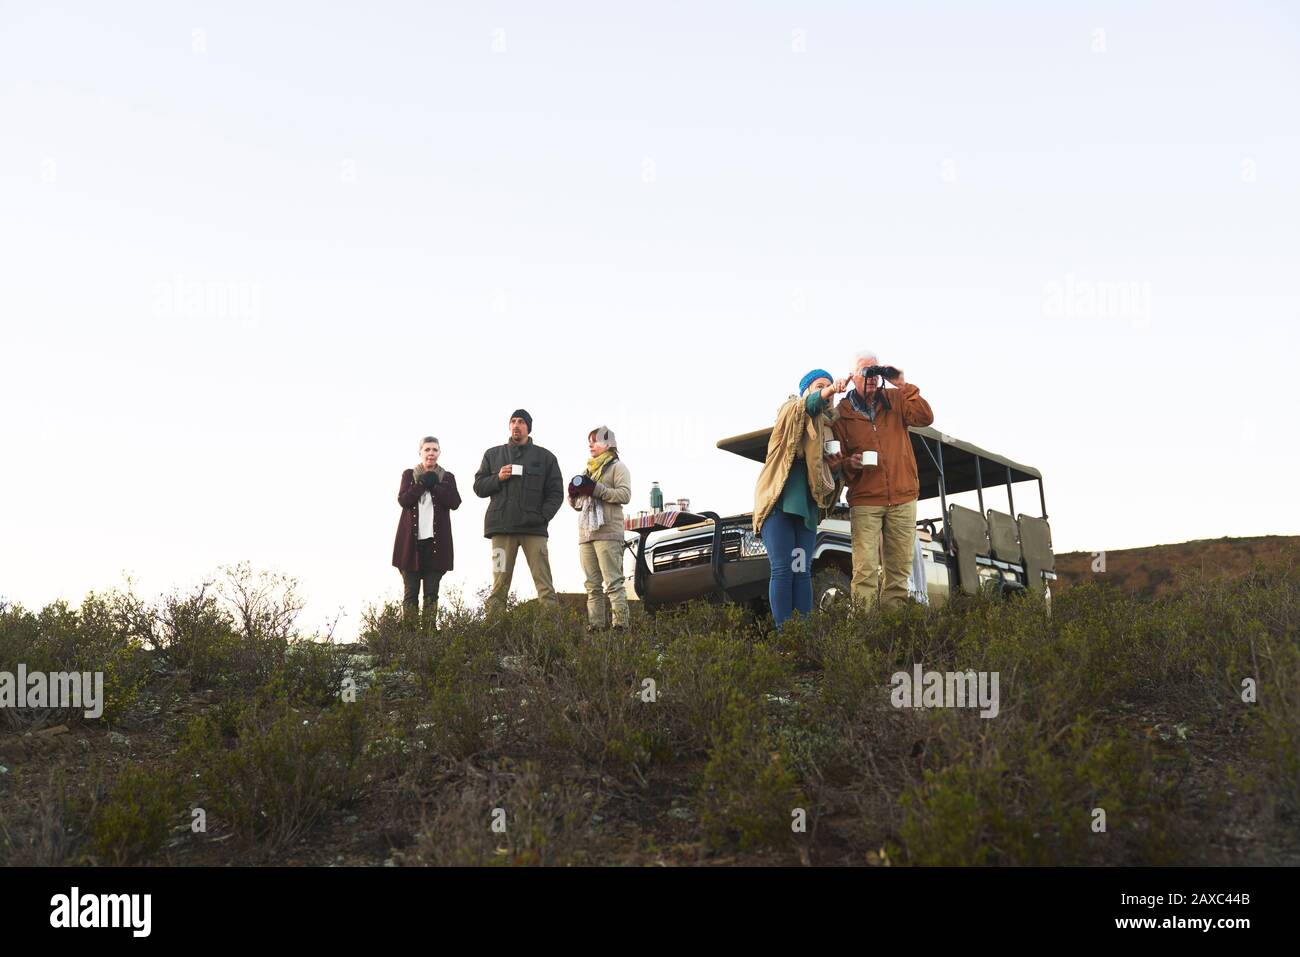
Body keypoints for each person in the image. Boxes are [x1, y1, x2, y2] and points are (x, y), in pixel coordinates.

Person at [832, 350, 934, 610]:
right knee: (864, 571)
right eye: (866, 372)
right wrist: (849, 463)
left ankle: (891, 633)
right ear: (853, 377)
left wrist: (902, 383)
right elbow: (836, 459)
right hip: (866, 500)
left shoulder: (895, 399)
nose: (872, 378)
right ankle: (864, 633)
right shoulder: (842, 412)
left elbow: (925, 417)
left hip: (903, 497)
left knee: (898, 574)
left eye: (876, 372)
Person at [753, 369, 847, 629]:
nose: (826, 391)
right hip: (779, 505)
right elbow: (807, 406)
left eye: (829, 386)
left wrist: (837, 466)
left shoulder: (830, 429)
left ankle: (803, 639)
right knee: (783, 570)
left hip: (805, 509)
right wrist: (829, 391)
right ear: (807, 389)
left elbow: (828, 477)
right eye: (820, 385)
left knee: (801, 572)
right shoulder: (791, 409)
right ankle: (786, 637)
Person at [473, 409, 564, 615]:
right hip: (501, 529)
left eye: (521, 422)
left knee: (545, 585)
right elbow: (478, 487)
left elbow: (556, 493)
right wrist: (497, 478)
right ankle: (494, 633)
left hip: (534, 530)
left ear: (528, 427)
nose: (516, 425)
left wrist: (543, 517)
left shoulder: (546, 457)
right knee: (498, 587)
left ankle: (554, 635)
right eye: (512, 421)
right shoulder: (493, 454)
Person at [568, 426, 632, 632]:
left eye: (595, 440)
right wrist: (572, 495)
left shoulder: (618, 467)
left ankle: (620, 627)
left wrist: (596, 489)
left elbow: (624, 495)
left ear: (608, 444)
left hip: (608, 532)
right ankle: (595, 628)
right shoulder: (588, 470)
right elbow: (579, 505)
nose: (591, 445)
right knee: (592, 586)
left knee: (613, 583)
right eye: (590, 441)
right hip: (586, 534)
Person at [392, 436, 462, 625]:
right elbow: (403, 500)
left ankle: (429, 636)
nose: (431, 453)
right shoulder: (409, 475)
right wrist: (422, 484)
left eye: (434, 450)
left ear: (439, 452)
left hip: (436, 544)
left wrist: (436, 485)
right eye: (427, 449)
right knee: (411, 592)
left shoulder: (447, 477)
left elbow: (455, 503)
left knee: (431, 593)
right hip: (410, 544)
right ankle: (409, 635)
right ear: (420, 452)